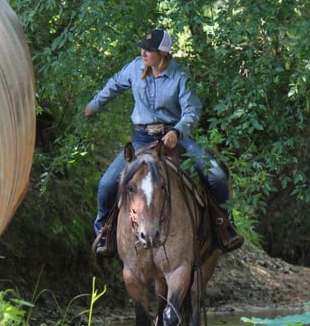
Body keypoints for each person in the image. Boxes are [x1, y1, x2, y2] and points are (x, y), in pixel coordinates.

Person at [84, 27, 243, 256]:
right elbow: (114, 85)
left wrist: (178, 131)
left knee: (216, 175)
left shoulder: (180, 77)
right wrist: (92, 106)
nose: (143, 53)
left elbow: (192, 110)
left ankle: (224, 227)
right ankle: (104, 232)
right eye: (143, 48)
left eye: (149, 50)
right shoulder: (134, 68)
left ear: (163, 53)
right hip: (141, 139)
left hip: (174, 138)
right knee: (107, 184)